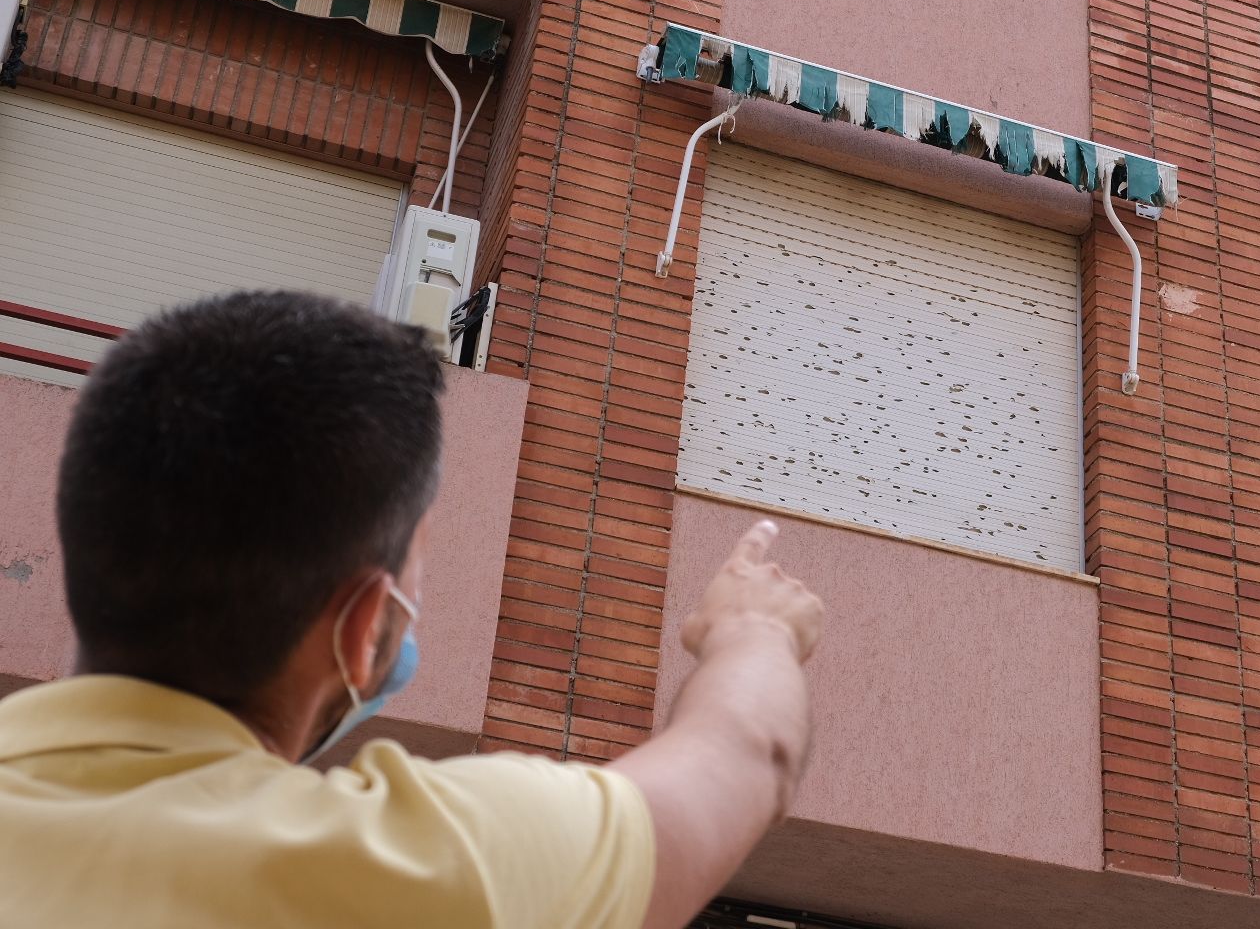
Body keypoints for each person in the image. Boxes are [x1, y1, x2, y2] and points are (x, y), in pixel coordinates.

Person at [0, 290, 824, 928]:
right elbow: (749, 755)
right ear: (363, 628)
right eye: (415, 570)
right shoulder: (428, 870)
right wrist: (754, 630)